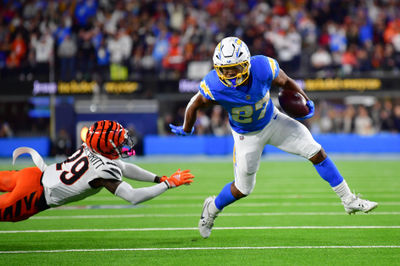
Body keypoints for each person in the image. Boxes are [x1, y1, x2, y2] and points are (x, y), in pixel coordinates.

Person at [169, 37, 378, 239]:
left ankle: (348, 199)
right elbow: (193, 104)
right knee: (243, 189)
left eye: (235, 68)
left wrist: (305, 100)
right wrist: (187, 127)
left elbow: (286, 82)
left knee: (315, 151)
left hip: (274, 121)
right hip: (246, 136)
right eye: (225, 69)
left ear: (247, 63)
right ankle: (212, 208)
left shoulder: (262, 67)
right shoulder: (214, 85)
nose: (231, 74)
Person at [0, 120, 194, 222]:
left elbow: (125, 167)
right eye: (119, 141)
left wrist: (158, 178)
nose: (124, 144)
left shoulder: (91, 146)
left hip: (31, 174)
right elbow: (133, 197)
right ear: (107, 145)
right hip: (33, 196)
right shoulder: (103, 170)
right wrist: (167, 184)